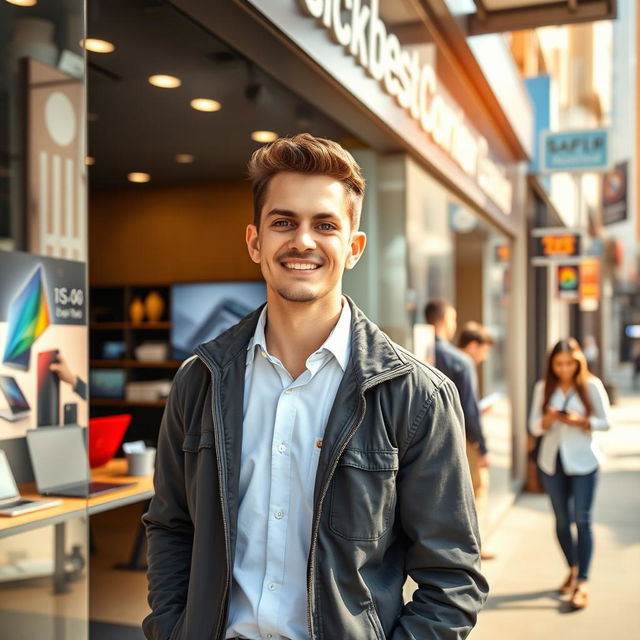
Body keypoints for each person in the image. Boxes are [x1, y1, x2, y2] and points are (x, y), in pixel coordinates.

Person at [143, 134, 487, 640]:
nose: (302, 241)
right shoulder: (200, 380)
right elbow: (172, 528)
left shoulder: (416, 396)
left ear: (353, 247)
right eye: (283, 222)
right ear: (255, 242)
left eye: (324, 225)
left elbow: (452, 577)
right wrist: (171, 630)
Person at [529, 338, 612, 610]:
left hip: (584, 463)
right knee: (562, 522)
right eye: (559, 364)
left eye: (569, 364)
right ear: (552, 365)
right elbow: (534, 427)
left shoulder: (591, 385)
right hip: (552, 463)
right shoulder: (544, 387)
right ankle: (574, 569)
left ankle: (583, 583)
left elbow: (606, 422)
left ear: (578, 362)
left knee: (582, 519)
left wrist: (582, 421)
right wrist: (549, 419)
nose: (564, 369)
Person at [458, 321, 495, 559]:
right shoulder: (463, 363)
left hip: (451, 435)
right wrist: (483, 447)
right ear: (474, 345)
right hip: (465, 438)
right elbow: (469, 409)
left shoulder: (439, 356)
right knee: (478, 488)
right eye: (484, 351)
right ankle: (475, 546)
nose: (484, 357)